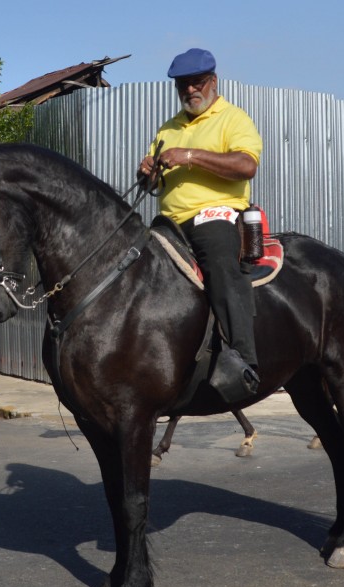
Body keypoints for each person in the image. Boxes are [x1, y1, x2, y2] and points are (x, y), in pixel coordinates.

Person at [139, 47, 262, 402]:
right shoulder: (168, 127)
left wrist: (190, 156)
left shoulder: (233, 118)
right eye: (183, 85)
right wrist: (147, 171)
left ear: (213, 81)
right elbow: (153, 186)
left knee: (222, 265)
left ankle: (243, 361)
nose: (190, 90)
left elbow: (246, 165)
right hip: (169, 223)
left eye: (196, 83)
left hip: (217, 215)